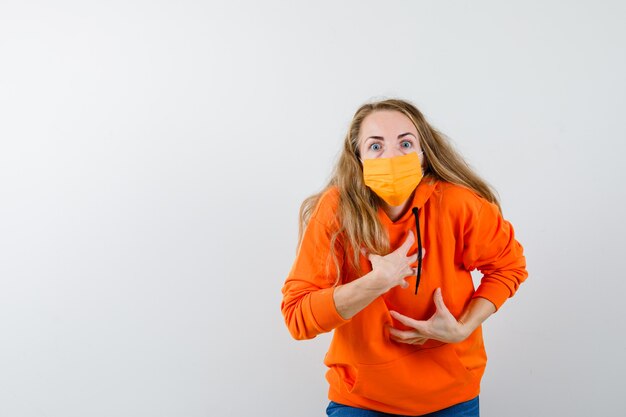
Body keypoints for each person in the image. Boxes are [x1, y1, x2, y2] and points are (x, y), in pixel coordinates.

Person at [280, 98, 527, 417]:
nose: (392, 157)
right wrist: (376, 282)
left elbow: (509, 267)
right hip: (361, 400)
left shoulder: (459, 204)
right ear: (359, 158)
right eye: (376, 146)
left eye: (406, 143)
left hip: (451, 397)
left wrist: (464, 327)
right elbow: (297, 317)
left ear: (424, 154)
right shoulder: (336, 210)